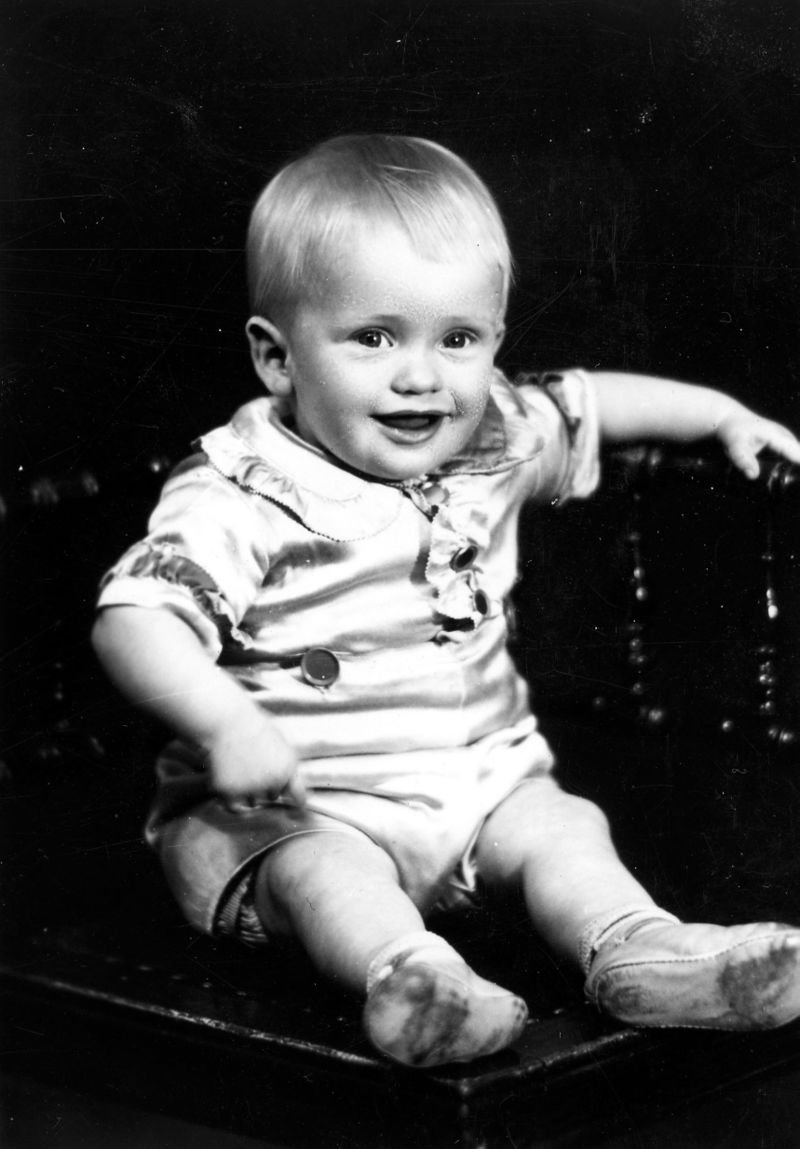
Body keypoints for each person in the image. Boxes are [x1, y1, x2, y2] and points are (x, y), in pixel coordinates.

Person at [92, 134, 800, 1069]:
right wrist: (225, 722)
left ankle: (637, 947)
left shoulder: (492, 439)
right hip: (306, 803)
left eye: (457, 338)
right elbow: (135, 617)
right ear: (276, 358)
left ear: (494, 340)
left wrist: (721, 414)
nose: (421, 376)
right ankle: (417, 979)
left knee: (563, 829)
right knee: (326, 875)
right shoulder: (243, 489)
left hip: (481, 785)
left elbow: (589, 403)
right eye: (373, 337)